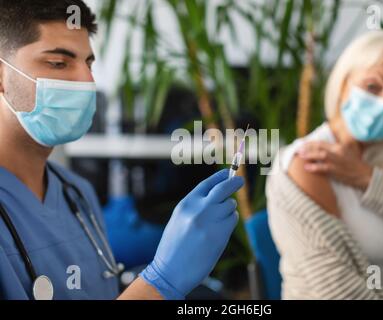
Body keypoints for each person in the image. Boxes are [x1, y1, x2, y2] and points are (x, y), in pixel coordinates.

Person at [0, 0, 244, 300]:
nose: (87, 80)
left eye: (88, 63)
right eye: (59, 63)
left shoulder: (77, 194)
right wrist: (162, 281)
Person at [266, 31, 383, 299]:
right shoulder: (304, 163)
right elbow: (340, 291)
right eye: (373, 87)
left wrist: (367, 178)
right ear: (343, 84)